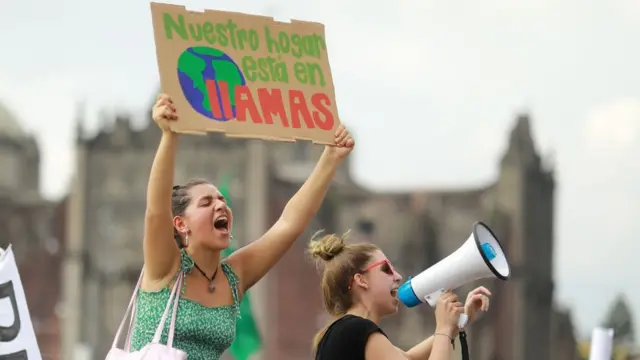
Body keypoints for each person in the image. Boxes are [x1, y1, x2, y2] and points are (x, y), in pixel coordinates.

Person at [129, 94, 355, 360]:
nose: (220, 205)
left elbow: (287, 225)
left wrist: (330, 158)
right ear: (181, 224)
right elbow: (156, 212)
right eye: (206, 202)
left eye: (222, 200)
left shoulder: (233, 277)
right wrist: (169, 136)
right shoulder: (165, 268)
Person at [308, 231, 491, 360]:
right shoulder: (355, 331)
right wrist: (443, 328)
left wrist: (459, 323)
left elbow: (408, 357)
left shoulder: (350, 332)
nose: (398, 276)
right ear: (361, 280)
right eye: (386, 269)